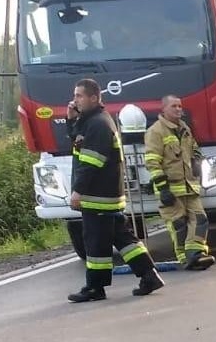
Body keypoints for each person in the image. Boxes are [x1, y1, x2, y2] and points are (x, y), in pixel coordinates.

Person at [66, 78, 163, 303]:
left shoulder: (98, 124)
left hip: (98, 196)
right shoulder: (92, 121)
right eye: (75, 95)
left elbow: (92, 162)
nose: (75, 100)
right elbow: (79, 142)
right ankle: (149, 276)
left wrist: (78, 191)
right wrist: (71, 121)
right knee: (124, 239)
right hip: (105, 196)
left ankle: (95, 287)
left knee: (96, 244)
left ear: (94, 98)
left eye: (79, 96)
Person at [144, 94, 214, 270]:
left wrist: (197, 160)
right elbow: (152, 162)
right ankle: (186, 259)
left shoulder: (184, 128)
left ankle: (196, 253)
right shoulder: (155, 131)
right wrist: (163, 188)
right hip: (170, 189)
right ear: (163, 109)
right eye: (173, 106)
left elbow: (194, 148)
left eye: (180, 106)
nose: (178, 109)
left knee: (200, 219)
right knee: (179, 225)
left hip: (190, 186)